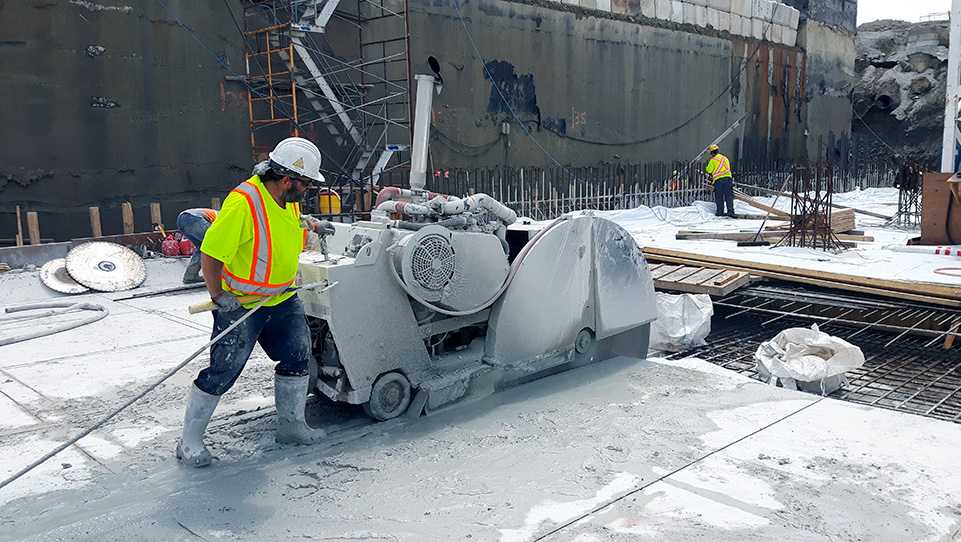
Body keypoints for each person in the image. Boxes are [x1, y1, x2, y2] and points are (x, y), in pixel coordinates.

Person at [176, 136, 337, 467]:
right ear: (286, 178)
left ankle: (291, 427)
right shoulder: (243, 203)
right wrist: (218, 295)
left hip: (281, 298)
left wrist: (314, 227)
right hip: (243, 304)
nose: (307, 190)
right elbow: (211, 253)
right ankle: (188, 442)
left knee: (297, 356)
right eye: (305, 183)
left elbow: (284, 233)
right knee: (225, 368)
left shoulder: (287, 200)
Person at [176, 208, 218, 284]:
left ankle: (191, 276)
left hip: (182, 219)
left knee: (201, 248)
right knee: (215, 244)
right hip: (194, 218)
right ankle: (221, 276)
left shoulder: (219, 214)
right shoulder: (226, 218)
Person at [706, 144, 735, 217]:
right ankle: (730, 211)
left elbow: (709, 170)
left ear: (712, 153)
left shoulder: (713, 160)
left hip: (718, 180)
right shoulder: (725, 158)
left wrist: (707, 167)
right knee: (729, 195)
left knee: (719, 196)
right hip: (728, 179)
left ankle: (720, 212)